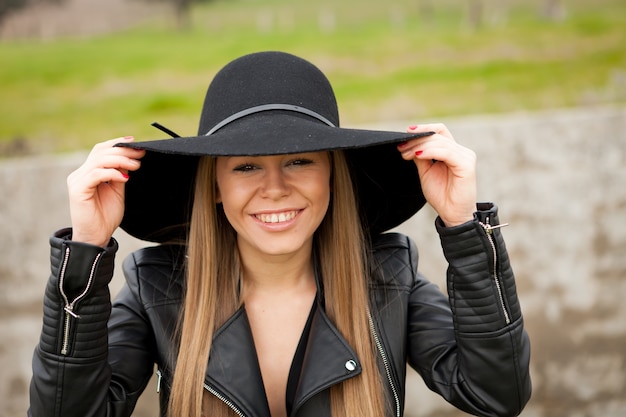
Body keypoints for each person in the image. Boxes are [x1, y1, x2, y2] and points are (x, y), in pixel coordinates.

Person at [29, 51, 531, 417]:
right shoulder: (157, 288)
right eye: (246, 165)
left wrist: (465, 227)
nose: (275, 188)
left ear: (333, 176)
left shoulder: (387, 278)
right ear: (216, 188)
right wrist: (86, 250)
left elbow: (496, 393)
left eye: (299, 160)